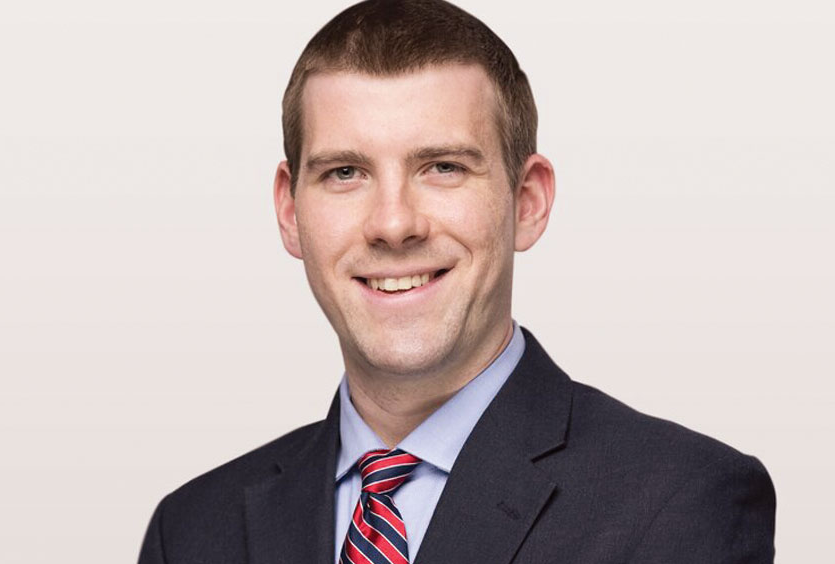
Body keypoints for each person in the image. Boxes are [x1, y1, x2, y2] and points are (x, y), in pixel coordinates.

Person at [138, 1, 776, 562]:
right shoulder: (192, 531)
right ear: (289, 211)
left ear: (527, 202)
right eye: (345, 173)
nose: (393, 224)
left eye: (442, 167)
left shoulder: (682, 502)